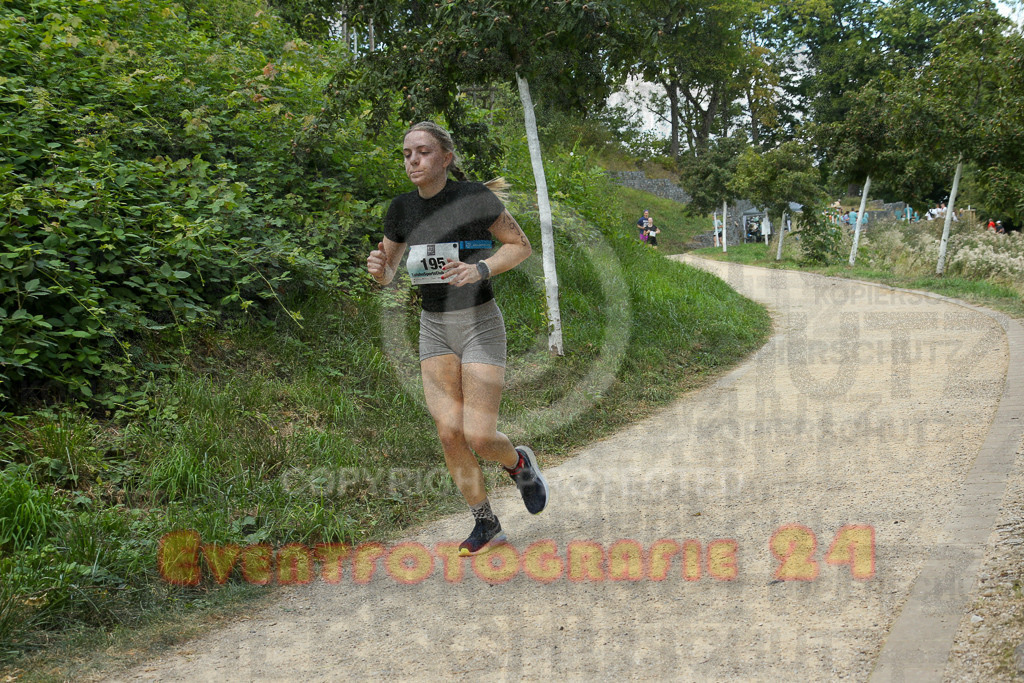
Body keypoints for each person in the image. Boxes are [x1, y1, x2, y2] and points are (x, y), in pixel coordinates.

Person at [366, 121, 549, 556]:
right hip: (434, 327)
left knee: (481, 436)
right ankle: (486, 524)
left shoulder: (473, 199)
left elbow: (519, 245)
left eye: (423, 152)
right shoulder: (401, 209)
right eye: (408, 153)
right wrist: (378, 271)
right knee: (449, 433)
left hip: (480, 322)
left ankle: (519, 463)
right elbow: (388, 272)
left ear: (446, 158)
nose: (413, 160)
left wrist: (479, 269)